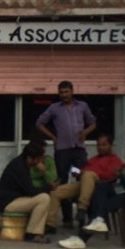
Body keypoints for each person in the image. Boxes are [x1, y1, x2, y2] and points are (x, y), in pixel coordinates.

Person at [59, 130, 125, 249]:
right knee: (101, 187)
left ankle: (84, 236)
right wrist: (120, 175)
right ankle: (96, 222)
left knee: (101, 205)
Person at [36, 80, 96, 227]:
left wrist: (85, 132)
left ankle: (85, 215)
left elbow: (93, 123)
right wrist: (53, 137)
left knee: (81, 177)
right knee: (62, 183)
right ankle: (67, 218)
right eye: (61, 93)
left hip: (78, 151)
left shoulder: (82, 106)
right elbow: (39, 123)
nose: (64, 95)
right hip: (62, 152)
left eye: (66, 92)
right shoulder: (55, 108)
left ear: (72, 91)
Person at [46, 133, 123, 233]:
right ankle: (50, 224)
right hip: (84, 185)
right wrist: (77, 173)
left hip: (100, 187)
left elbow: (110, 176)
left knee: (89, 175)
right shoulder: (93, 159)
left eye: (104, 145)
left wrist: (88, 173)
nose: (100, 148)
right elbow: (83, 172)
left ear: (110, 145)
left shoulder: (115, 160)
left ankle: (82, 208)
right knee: (55, 191)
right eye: (98, 145)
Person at [0, 141, 55, 244]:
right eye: (39, 159)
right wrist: (49, 187)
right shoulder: (19, 167)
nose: (41, 161)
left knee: (45, 198)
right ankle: (32, 233)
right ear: (29, 158)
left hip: (15, 199)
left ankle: (38, 232)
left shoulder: (23, 164)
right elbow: (31, 191)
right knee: (44, 198)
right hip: (8, 203)